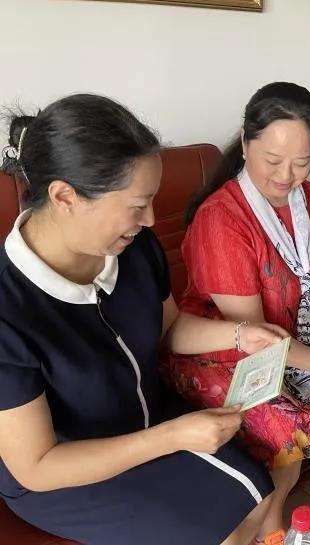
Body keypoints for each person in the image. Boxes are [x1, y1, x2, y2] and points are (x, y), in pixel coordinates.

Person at [0, 94, 291, 545]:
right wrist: (172, 437)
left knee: (261, 492)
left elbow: (169, 327)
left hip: (146, 420)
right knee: (224, 532)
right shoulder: (9, 308)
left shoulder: (132, 249)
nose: (152, 219)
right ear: (64, 197)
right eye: (138, 205)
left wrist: (239, 334)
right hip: (66, 469)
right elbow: (36, 466)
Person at [170, 82, 310, 545]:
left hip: (296, 331)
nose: (286, 176)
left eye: (301, 161)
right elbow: (255, 338)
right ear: (245, 142)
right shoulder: (222, 219)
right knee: (281, 429)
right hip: (228, 348)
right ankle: (272, 530)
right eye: (272, 160)